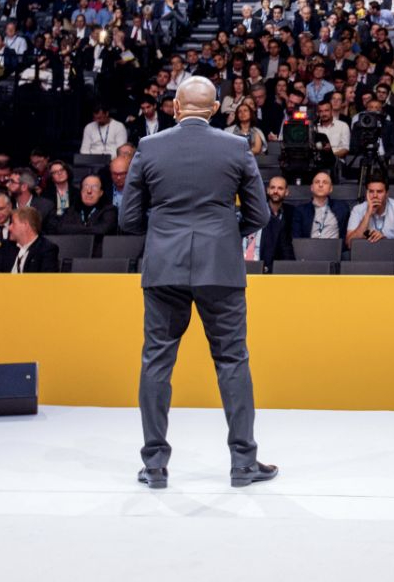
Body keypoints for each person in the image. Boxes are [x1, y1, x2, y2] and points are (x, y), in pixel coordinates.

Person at [118, 76, 276, 491]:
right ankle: (244, 463)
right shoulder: (236, 146)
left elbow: (128, 219)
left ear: (174, 105)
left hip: (164, 268)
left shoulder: (150, 147)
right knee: (232, 361)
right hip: (220, 269)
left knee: (156, 362)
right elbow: (259, 215)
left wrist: (164, 230)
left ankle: (154, 465)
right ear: (216, 109)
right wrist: (225, 232)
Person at [0, 207, 61, 273]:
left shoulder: (46, 249)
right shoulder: (5, 247)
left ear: (25, 225)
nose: (9, 228)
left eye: (13, 223)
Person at [346, 176, 394, 245]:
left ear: (387, 194)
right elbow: (350, 244)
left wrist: (384, 241)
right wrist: (368, 214)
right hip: (365, 252)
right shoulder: (358, 210)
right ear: (366, 193)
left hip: (390, 254)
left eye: (379, 192)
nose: (375, 195)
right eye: (371, 191)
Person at [289, 171, 352, 240]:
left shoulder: (342, 208)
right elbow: (296, 238)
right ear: (312, 188)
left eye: (325, 182)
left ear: (330, 189)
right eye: (317, 182)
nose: (320, 185)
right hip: (309, 249)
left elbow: (346, 236)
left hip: (334, 249)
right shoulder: (301, 211)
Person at [51, 175, 119, 235]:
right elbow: (60, 228)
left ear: (101, 193)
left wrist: (75, 229)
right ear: (81, 191)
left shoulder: (109, 210)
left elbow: (102, 230)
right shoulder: (71, 210)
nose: (89, 191)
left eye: (94, 187)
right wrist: (89, 229)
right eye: (86, 186)